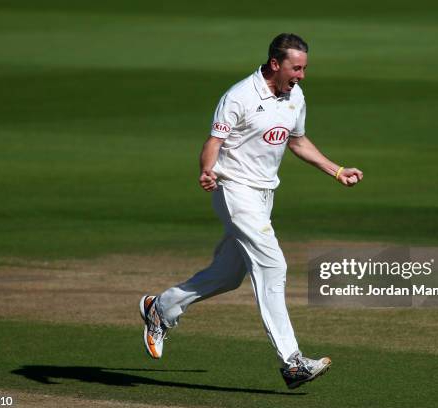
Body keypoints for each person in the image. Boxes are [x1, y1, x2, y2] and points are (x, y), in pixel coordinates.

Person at [140, 33, 363, 389]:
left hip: (263, 195)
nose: (302, 75)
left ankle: (161, 308)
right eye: (296, 68)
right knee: (273, 265)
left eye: (305, 68)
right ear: (276, 64)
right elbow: (214, 141)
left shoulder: (295, 96)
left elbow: (298, 141)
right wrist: (207, 170)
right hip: (234, 190)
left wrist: (336, 170)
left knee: (228, 275)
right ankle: (292, 362)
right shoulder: (240, 96)